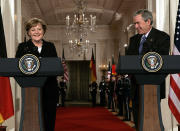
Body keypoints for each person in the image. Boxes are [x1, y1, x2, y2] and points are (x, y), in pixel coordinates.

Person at [126, 9, 170, 129]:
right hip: (136, 88)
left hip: (153, 89)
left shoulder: (162, 37)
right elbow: (129, 62)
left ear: (148, 21)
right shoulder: (133, 40)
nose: (136, 26)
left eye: (138, 23)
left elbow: (164, 63)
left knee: (152, 121)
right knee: (138, 123)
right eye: (135, 23)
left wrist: (152, 78)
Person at [15, 18, 59, 131]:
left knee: (49, 117)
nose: (36, 32)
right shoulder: (22, 47)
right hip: (31, 89)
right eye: (33, 29)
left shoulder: (50, 46)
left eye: (39, 29)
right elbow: (17, 66)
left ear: (43, 31)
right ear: (28, 32)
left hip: (49, 88)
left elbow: (55, 66)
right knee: (32, 116)